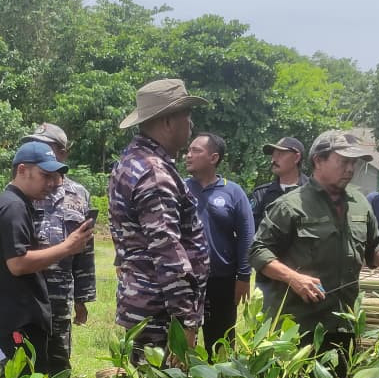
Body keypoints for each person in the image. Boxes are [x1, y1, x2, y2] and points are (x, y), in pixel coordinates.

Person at [250, 130, 379, 365]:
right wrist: (293, 278)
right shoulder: (291, 205)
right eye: (344, 162)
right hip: (298, 328)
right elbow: (258, 251)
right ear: (318, 160)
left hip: (344, 324)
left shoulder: (360, 203)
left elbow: (375, 241)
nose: (350, 169)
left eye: (354, 163)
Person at [108, 78, 210, 360]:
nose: (190, 124)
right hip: (162, 315)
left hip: (144, 305)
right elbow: (167, 251)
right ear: (167, 122)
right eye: (186, 116)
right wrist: (186, 322)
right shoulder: (154, 174)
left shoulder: (131, 161)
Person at [0, 141, 94, 376]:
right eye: (45, 175)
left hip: (21, 312)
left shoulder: (18, 203)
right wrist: (67, 247)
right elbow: (18, 263)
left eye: (54, 177)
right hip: (17, 315)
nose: (52, 184)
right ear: (22, 170)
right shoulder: (13, 207)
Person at [22, 122, 97, 375]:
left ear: (63, 152)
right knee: (22, 365)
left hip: (60, 296)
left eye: (46, 147)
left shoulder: (79, 194)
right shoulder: (24, 191)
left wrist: (82, 298)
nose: (36, 150)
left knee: (58, 364)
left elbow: (85, 251)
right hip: (26, 295)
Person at [184, 132, 253, 350]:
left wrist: (243, 276)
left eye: (196, 151)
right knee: (182, 343)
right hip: (185, 281)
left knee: (220, 344)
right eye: (188, 150)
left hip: (222, 281)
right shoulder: (180, 189)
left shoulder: (233, 192)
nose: (188, 155)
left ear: (213, 158)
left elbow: (246, 235)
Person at [250, 137, 307, 225]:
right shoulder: (261, 194)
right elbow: (251, 229)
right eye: (273, 155)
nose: (273, 160)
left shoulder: (313, 191)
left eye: (280, 154)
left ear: (296, 158)